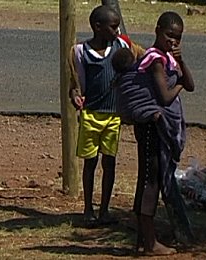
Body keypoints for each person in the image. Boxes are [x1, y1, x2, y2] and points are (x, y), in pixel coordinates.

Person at [115, 11, 195, 255]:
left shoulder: (168, 58)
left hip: (155, 126)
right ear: (157, 30)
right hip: (151, 125)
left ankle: (143, 239)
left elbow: (191, 84)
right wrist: (178, 82)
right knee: (151, 181)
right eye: (169, 35)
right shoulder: (155, 59)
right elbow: (165, 96)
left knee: (150, 178)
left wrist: (181, 64)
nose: (173, 41)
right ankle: (150, 243)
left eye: (178, 38)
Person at [68, 5, 136, 226]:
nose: (117, 31)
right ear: (98, 27)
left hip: (113, 116)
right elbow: (76, 83)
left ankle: (104, 210)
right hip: (91, 115)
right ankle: (88, 209)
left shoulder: (121, 47)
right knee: (90, 162)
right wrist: (75, 94)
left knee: (110, 162)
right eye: (113, 27)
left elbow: (132, 69)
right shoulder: (80, 52)